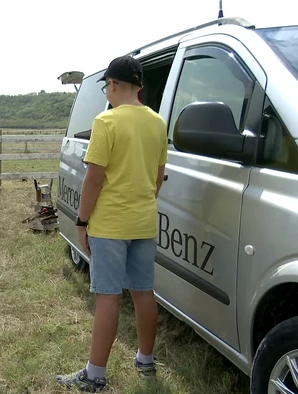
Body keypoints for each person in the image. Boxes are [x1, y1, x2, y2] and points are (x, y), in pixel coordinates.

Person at [55, 55, 168, 392]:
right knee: (143, 292)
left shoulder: (106, 122)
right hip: (144, 221)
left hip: (110, 225)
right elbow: (159, 176)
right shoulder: (158, 123)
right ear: (141, 87)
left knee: (107, 296)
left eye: (107, 86)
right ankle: (146, 360)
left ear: (114, 85)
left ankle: (95, 374)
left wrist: (82, 220)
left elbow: (93, 180)